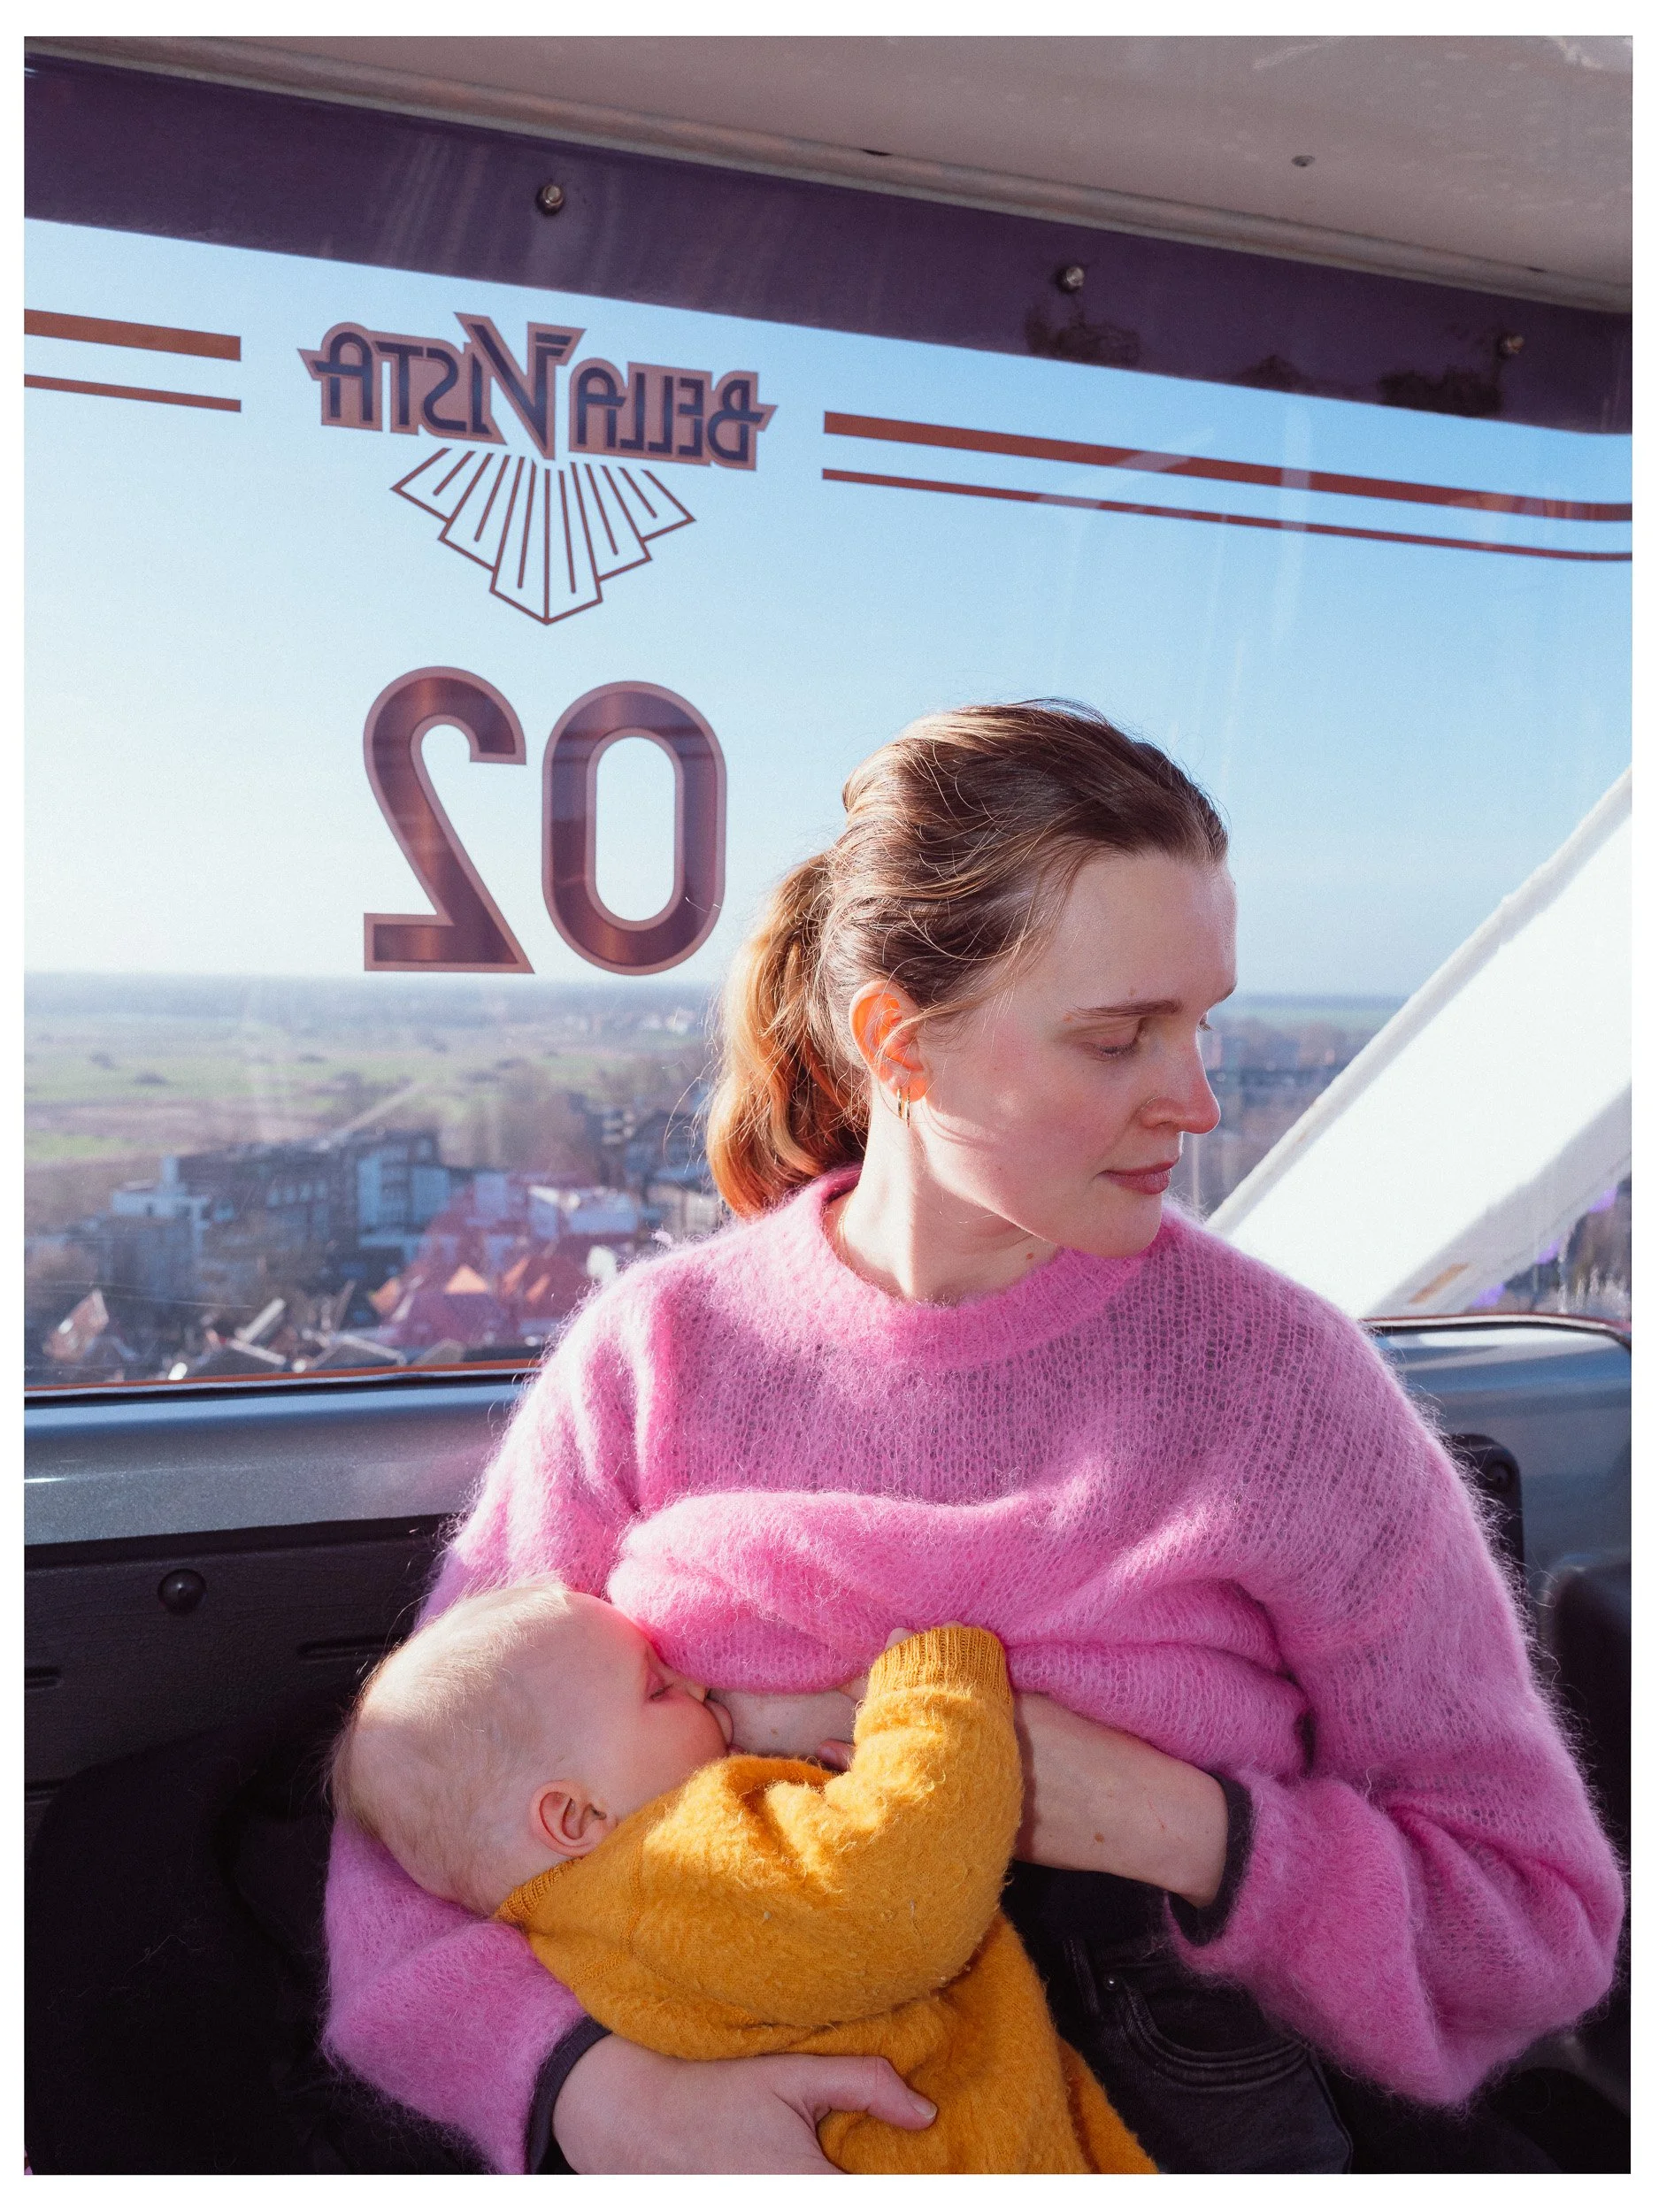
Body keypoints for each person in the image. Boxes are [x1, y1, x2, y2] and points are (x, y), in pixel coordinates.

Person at [324, 702, 1624, 2175]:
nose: (1196, 1101)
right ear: (900, 1045)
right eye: (1117, 1037)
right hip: (710, 2074)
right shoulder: (656, 1354)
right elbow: (414, 1826)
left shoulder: (1283, 1389)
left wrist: (1176, 1826)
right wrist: (593, 2096)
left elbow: (1533, 1925)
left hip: (1157, 2083)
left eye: (1202, 1025)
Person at [328, 1583, 1154, 2173]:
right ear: (575, 1816)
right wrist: (937, 1691)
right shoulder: (677, 1868)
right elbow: (894, 1905)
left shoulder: (577, 1913)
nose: (697, 1687)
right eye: (659, 1690)